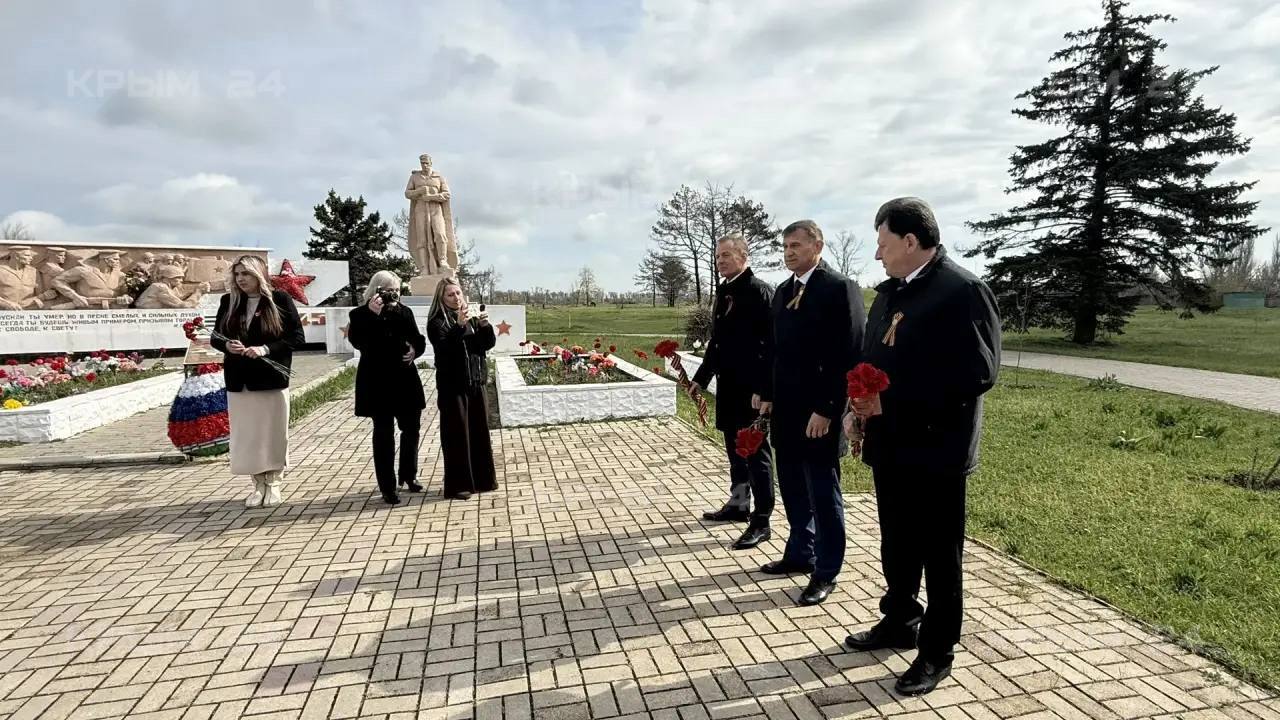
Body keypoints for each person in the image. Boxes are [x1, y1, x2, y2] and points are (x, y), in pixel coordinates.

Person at [843, 198, 1001, 697]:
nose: (877, 255)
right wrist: (855, 409)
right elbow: (869, 360)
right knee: (897, 542)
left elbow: (977, 373)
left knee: (939, 554)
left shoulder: (962, 291)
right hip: (890, 444)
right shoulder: (890, 293)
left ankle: (937, 651)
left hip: (937, 450)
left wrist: (890, 402)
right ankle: (900, 620)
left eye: (883, 244)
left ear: (911, 241)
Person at [758, 220, 864, 606]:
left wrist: (828, 409)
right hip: (786, 411)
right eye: (785, 246)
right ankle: (800, 552)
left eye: (796, 245)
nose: (789, 252)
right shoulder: (783, 291)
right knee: (792, 486)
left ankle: (826, 569)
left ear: (817, 246)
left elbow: (849, 353)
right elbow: (776, 350)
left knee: (822, 492)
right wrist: (768, 395)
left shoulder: (839, 288)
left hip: (820, 413)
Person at [690, 233, 775, 550]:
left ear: (743, 255)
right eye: (717, 256)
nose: (720, 261)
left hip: (752, 393)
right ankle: (739, 504)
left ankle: (762, 521)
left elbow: (771, 346)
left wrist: (764, 389)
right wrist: (701, 378)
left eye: (726, 255)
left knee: (755, 454)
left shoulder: (759, 291)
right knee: (735, 453)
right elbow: (718, 343)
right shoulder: (725, 291)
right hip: (728, 388)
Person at [211, 255, 304, 509]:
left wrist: (265, 349)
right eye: (237, 274)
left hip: (270, 380)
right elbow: (216, 336)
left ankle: (273, 482)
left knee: (272, 433)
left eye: (246, 274)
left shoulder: (279, 299)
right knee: (248, 436)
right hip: (239, 381)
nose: (241, 279)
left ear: (259, 274)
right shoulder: (229, 301)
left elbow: (296, 337)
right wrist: (226, 345)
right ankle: (257, 484)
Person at [347, 270, 427, 506]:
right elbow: (359, 342)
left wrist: (415, 350)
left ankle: (409, 475)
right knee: (383, 434)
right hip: (377, 382)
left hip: (405, 379)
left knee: (411, 429)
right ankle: (387, 486)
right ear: (376, 290)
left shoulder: (404, 311)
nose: (394, 295)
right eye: (389, 290)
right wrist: (373, 315)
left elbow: (418, 338)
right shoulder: (359, 314)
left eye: (397, 290)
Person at [426, 277, 497, 499]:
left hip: (475, 381)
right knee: (457, 435)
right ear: (441, 298)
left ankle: (483, 480)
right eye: (450, 294)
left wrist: (484, 326)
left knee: (479, 432)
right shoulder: (437, 322)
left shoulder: (471, 318)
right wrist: (458, 326)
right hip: (453, 386)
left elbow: (485, 345)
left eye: (458, 293)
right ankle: (459, 485)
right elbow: (444, 348)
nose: (456, 298)